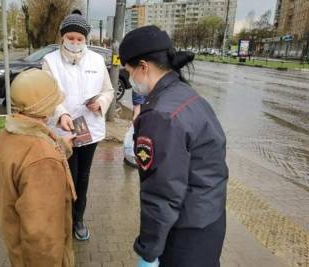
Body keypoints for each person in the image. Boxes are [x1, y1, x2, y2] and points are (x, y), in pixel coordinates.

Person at [119, 25, 229, 267]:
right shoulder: (187, 95)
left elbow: (161, 193)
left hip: (184, 233)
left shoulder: (159, 115)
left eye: (128, 71)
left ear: (143, 67)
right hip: (209, 219)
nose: (129, 79)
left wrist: (148, 251)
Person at [0, 69, 77, 266]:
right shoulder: (43, 160)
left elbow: (26, 160)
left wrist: (60, 146)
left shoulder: (6, 136)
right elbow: (42, 234)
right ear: (44, 107)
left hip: (18, 247)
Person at [42, 10, 114, 241]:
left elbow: (108, 90)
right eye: (70, 38)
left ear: (86, 39)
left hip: (90, 129)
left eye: (79, 39)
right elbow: (49, 94)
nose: (75, 42)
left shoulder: (96, 60)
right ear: (62, 37)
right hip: (63, 130)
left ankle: (79, 218)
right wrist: (61, 113)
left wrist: (101, 102)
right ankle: (63, 218)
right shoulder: (50, 62)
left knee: (83, 175)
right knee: (65, 175)